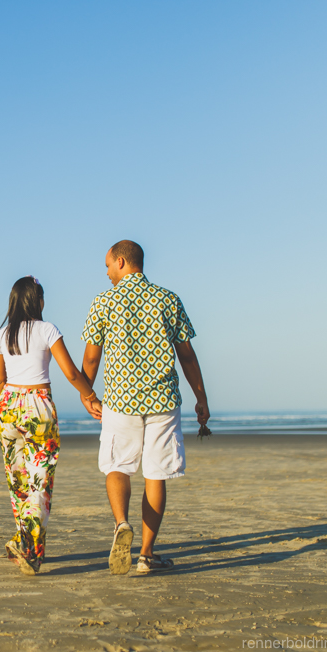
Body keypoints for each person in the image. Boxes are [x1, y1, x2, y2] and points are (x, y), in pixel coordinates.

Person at [79, 240, 209, 575]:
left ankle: (122, 524)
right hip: (163, 400)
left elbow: (92, 357)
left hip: (121, 401)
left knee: (117, 466)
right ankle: (146, 555)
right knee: (156, 473)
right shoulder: (168, 299)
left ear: (121, 262)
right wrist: (201, 397)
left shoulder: (104, 302)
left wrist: (87, 393)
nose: (107, 273)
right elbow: (187, 355)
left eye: (108, 265)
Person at [0, 276, 103, 575]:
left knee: (18, 482)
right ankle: (28, 547)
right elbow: (70, 372)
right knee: (39, 480)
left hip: (7, 408)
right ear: (38, 301)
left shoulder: (2, 335)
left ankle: (28, 547)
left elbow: (0, 379)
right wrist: (89, 395)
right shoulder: (47, 329)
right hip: (37, 406)